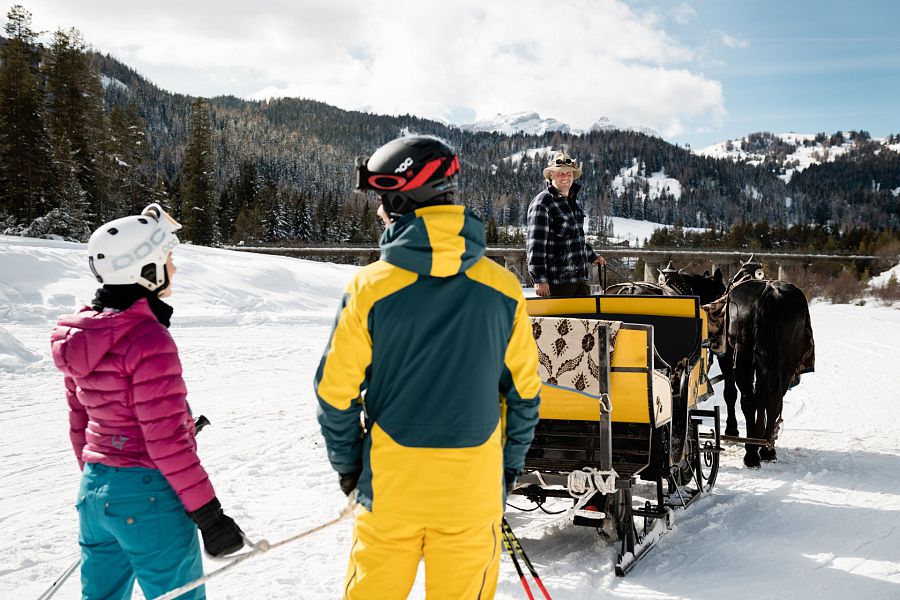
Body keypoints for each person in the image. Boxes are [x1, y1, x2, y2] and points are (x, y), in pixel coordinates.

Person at [315, 135, 542, 599]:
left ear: (402, 197)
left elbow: (334, 393)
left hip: (391, 489)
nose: (379, 210)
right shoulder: (503, 288)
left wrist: (350, 469)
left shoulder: (370, 287)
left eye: (382, 198)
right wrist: (507, 471)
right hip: (472, 492)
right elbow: (524, 394)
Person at [51, 204, 244, 600]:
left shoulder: (82, 338)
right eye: (168, 259)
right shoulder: (148, 340)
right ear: (147, 270)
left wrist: (106, 481)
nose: (174, 268)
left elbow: (79, 424)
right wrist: (209, 514)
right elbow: (166, 441)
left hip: (95, 492)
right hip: (148, 496)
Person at [526, 151, 606, 297]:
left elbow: (575, 238)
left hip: (580, 278)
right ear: (551, 176)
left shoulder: (573, 202)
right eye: (560, 174)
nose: (565, 177)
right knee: (561, 320)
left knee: (586, 319)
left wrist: (592, 256)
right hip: (557, 282)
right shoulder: (542, 203)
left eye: (569, 173)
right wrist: (539, 279)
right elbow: (536, 246)